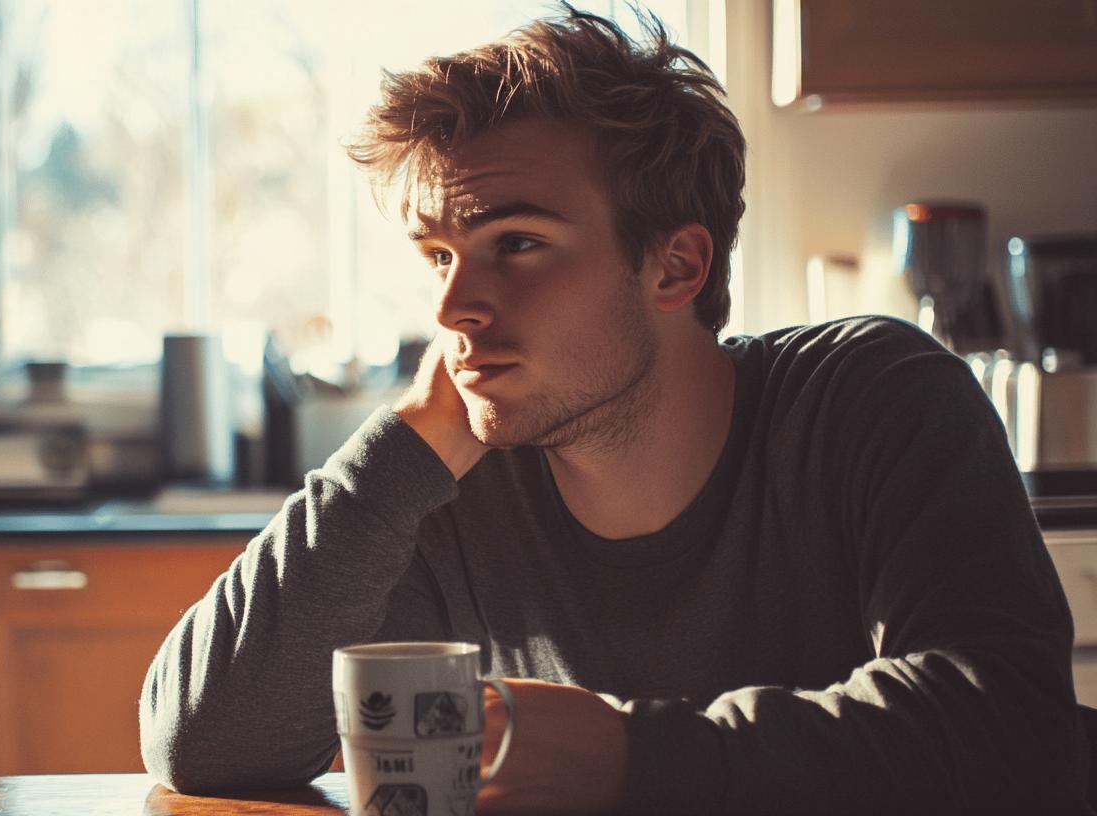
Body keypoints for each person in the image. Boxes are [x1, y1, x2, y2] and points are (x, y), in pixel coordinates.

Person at [139, 7, 1089, 813]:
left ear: (675, 265)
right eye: (439, 256)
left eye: (516, 243)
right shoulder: (451, 482)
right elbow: (207, 743)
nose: (449, 308)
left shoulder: (872, 398)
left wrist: (632, 756)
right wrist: (409, 440)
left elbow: (1006, 719)